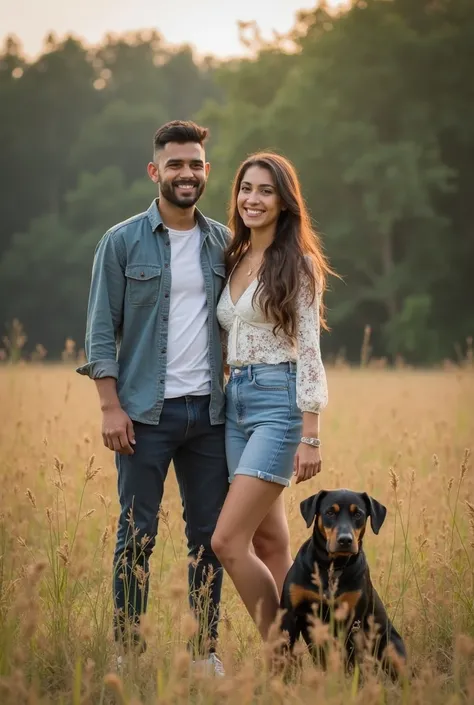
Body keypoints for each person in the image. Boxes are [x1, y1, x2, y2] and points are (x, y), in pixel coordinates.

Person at [77, 120, 229, 675]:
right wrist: (109, 406)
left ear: (206, 171)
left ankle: (203, 653)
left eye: (195, 164)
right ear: (155, 171)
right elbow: (99, 332)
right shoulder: (121, 242)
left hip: (211, 415)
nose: (186, 174)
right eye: (175, 164)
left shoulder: (223, 243)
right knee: (136, 535)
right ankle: (128, 650)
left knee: (208, 538)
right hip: (145, 415)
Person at [212, 152, 335, 643]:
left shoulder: (299, 264)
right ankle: (322, 646)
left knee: (227, 541)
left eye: (265, 191)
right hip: (235, 402)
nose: (253, 199)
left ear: (285, 202)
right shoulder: (233, 257)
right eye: (246, 189)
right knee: (269, 540)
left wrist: (311, 433)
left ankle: (282, 650)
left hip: (279, 404)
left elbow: (310, 350)